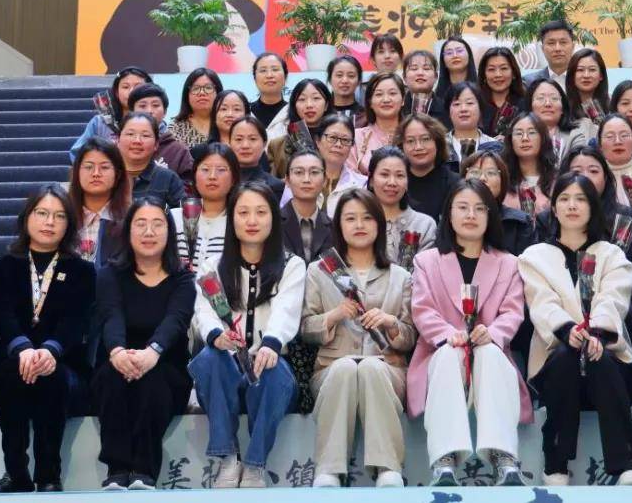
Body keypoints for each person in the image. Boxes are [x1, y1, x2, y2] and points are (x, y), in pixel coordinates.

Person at [518, 173, 632, 486]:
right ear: (554, 208)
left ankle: (629, 466)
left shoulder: (612, 254)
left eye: (580, 199)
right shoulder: (533, 257)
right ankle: (556, 464)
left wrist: (597, 334)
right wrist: (567, 331)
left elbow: (613, 298)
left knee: (598, 357)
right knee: (566, 355)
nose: (572, 206)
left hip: (608, 360)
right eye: (564, 199)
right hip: (555, 360)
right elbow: (541, 302)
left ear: (593, 207)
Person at [409, 180, 531, 486]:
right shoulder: (426, 261)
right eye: (462, 207)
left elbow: (513, 312)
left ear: (491, 216)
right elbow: (422, 309)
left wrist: (493, 333)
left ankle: (504, 458)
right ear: (448, 214)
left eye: (479, 209)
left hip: (490, 354)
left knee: (489, 352)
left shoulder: (509, 263)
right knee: (448, 353)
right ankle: (445, 461)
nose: (471, 215)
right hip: (440, 352)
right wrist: (447, 333)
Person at [189, 182, 306, 488]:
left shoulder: (292, 265)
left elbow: (286, 310)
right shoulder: (213, 265)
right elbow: (204, 310)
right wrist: (217, 336)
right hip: (226, 370)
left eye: (260, 212)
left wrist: (270, 344)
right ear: (232, 219)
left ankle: (255, 465)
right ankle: (228, 457)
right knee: (209, 358)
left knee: (273, 370)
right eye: (243, 213)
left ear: (273, 218)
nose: (252, 220)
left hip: (269, 370)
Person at [301, 189, 417, 487]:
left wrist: (391, 323)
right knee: (345, 367)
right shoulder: (320, 271)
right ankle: (329, 471)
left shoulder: (400, 276)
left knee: (370, 367)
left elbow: (410, 337)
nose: (359, 225)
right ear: (338, 225)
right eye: (350, 218)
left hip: (387, 369)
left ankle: (388, 468)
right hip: (331, 368)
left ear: (379, 223)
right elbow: (305, 328)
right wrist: (334, 315)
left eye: (367, 218)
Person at [0, 185, 95, 494]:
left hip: (65, 363)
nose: (49, 222)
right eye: (42, 213)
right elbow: (2, 317)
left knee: (52, 375)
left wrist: (50, 350)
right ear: (27, 218)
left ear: (69, 224)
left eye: (59, 216)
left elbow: (76, 321)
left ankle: (48, 475)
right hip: (12, 360)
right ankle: (16, 473)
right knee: (14, 374)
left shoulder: (82, 271)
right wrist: (23, 349)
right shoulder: (2, 267)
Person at [93, 197, 196, 490]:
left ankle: (143, 470)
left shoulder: (183, 279)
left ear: (169, 231)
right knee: (111, 379)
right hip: (118, 356)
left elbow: (175, 321)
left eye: (157, 224)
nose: (149, 232)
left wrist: (153, 352)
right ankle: (117, 469)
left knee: (153, 382)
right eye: (140, 224)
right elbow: (110, 315)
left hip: (166, 363)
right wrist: (117, 352)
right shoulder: (110, 274)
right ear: (128, 231)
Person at [281, 114, 367, 214]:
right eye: (332, 137)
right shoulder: (297, 180)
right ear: (318, 141)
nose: (338, 144)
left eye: (345, 140)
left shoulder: (362, 185)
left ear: (352, 146)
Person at [367, 146, 437, 264]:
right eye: (384, 174)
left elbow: (425, 269)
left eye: (399, 175)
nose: (392, 182)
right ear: (371, 180)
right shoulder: (358, 222)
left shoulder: (424, 225)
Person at [173, 144, 239, 269]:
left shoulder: (240, 221)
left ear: (233, 179)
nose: (212, 176)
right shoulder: (173, 219)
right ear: (194, 176)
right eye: (205, 169)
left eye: (221, 170)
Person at [460, 150, 537, 257]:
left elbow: (527, 264)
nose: (482, 178)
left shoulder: (519, 223)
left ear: (502, 181)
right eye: (475, 172)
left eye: (491, 173)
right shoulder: (452, 217)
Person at [69, 137, 131, 265]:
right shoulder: (63, 216)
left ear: (118, 175)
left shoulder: (131, 218)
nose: (96, 173)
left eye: (104, 167)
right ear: (77, 172)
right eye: (88, 167)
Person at [70, 66, 152, 161]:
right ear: (117, 92)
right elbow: (77, 153)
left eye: (138, 87)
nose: (131, 91)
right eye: (125, 87)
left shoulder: (155, 122)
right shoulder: (100, 123)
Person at [266, 79, 333, 177]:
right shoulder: (277, 146)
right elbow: (272, 183)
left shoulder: (338, 140)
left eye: (316, 98)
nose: (309, 105)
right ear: (294, 106)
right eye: (302, 99)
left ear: (326, 105)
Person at [399, 113, 460, 221]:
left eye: (426, 139)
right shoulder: (396, 182)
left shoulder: (455, 183)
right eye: (410, 141)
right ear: (401, 146)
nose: (418, 147)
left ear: (437, 142)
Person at [117, 112, 185, 208]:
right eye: (130, 134)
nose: (137, 141)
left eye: (145, 135)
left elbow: (182, 214)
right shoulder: (107, 175)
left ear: (156, 144)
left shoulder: (168, 179)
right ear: (118, 140)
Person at [128, 83, 193, 181]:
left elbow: (187, 187)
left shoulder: (179, 151)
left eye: (155, 105)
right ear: (132, 112)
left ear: (165, 112)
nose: (149, 111)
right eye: (142, 106)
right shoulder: (123, 145)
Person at [279, 151, 335, 264]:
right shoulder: (272, 223)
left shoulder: (334, 227)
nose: (306, 179)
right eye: (299, 172)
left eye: (314, 172)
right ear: (287, 180)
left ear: (325, 180)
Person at [349, 73, 405, 175]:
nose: (386, 100)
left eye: (392, 93)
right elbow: (350, 177)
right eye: (379, 94)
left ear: (403, 100)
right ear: (370, 102)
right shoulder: (356, 137)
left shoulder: (412, 136)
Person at [501, 113, 556, 215]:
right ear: (510, 140)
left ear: (542, 138)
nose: (525, 138)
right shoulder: (501, 180)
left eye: (531, 132)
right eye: (518, 133)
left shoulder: (557, 181)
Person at [444, 81, 503, 169]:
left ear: (480, 109)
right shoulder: (438, 145)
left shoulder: (495, 146)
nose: (463, 109)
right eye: (457, 104)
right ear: (448, 111)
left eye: (470, 103)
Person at [226, 116, 286, 199]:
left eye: (252, 139)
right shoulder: (220, 182)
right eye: (239, 139)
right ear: (229, 144)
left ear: (264, 144)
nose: (245, 145)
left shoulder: (275, 186)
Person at [526, 78, 584, 163]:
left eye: (554, 98)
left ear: (563, 108)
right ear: (530, 106)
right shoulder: (521, 136)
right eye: (540, 98)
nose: (548, 104)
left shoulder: (575, 135)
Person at [597, 114, 632, 210]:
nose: (617, 141)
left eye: (624, 135)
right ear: (600, 145)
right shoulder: (596, 176)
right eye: (610, 136)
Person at [478, 47, 528, 138]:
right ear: (484, 75)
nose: (498, 74)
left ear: (513, 73)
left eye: (504, 68)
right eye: (491, 69)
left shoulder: (526, 104)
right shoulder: (476, 104)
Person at [168, 68, 222, 149]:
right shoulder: (176, 127)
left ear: (218, 92)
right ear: (187, 95)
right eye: (195, 88)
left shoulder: (226, 122)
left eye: (208, 88)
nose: (202, 93)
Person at [565, 48, 611, 142]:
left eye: (592, 70)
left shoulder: (613, 104)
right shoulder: (562, 106)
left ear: (601, 76)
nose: (586, 75)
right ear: (572, 75)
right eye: (580, 70)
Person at [523, 19, 576, 90]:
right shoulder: (529, 82)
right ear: (542, 48)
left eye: (563, 42)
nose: (557, 48)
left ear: (573, 46)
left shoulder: (584, 79)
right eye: (551, 43)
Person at [434, 37, 477, 111]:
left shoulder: (482, 89)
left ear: (469, 54)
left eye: (459, 51)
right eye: (449, 53)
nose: (455, 56)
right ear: (443, 60)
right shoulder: (436, 94)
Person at [401, 50, 445, 123]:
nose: (420, 73)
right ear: (404, 77)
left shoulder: (447, 109)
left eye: (426, 68)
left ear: (436, 76)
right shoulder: (398, 108)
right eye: (414, 69)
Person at [249, 52, 288, 129]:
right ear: (255, 78)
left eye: (275, 69)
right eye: (263, 71)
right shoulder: (246, 112)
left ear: (285, 77)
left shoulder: (293, 112)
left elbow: (299, 137)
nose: (269, 75)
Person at [328, 55, 367, 127]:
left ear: (359, 81)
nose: (345, 80)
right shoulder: (321, 114)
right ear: (330, 79)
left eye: (351, 76)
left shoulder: (366, 117)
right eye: (339, 75)